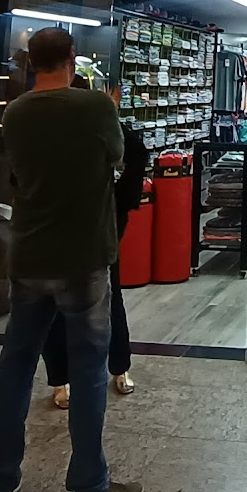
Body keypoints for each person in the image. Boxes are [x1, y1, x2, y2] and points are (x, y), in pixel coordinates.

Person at [0, 27, 143, 492]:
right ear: (72, 58)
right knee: (89, 367)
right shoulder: (93, 106)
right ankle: (90, 485)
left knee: (15, 365)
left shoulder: (16, 112)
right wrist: (109, 110)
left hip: (29, 255)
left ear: (31, 63)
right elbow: (117, 155)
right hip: (83, 256)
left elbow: (21, 172)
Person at [42, 108, 148, 407]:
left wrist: (121, 203)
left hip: (97, 220)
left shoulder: (98, 120)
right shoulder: (44, 120)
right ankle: (62, 378)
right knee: (57, 300)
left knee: (108, 297)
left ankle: (118, 366)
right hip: (58, 220)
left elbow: (137, 152)